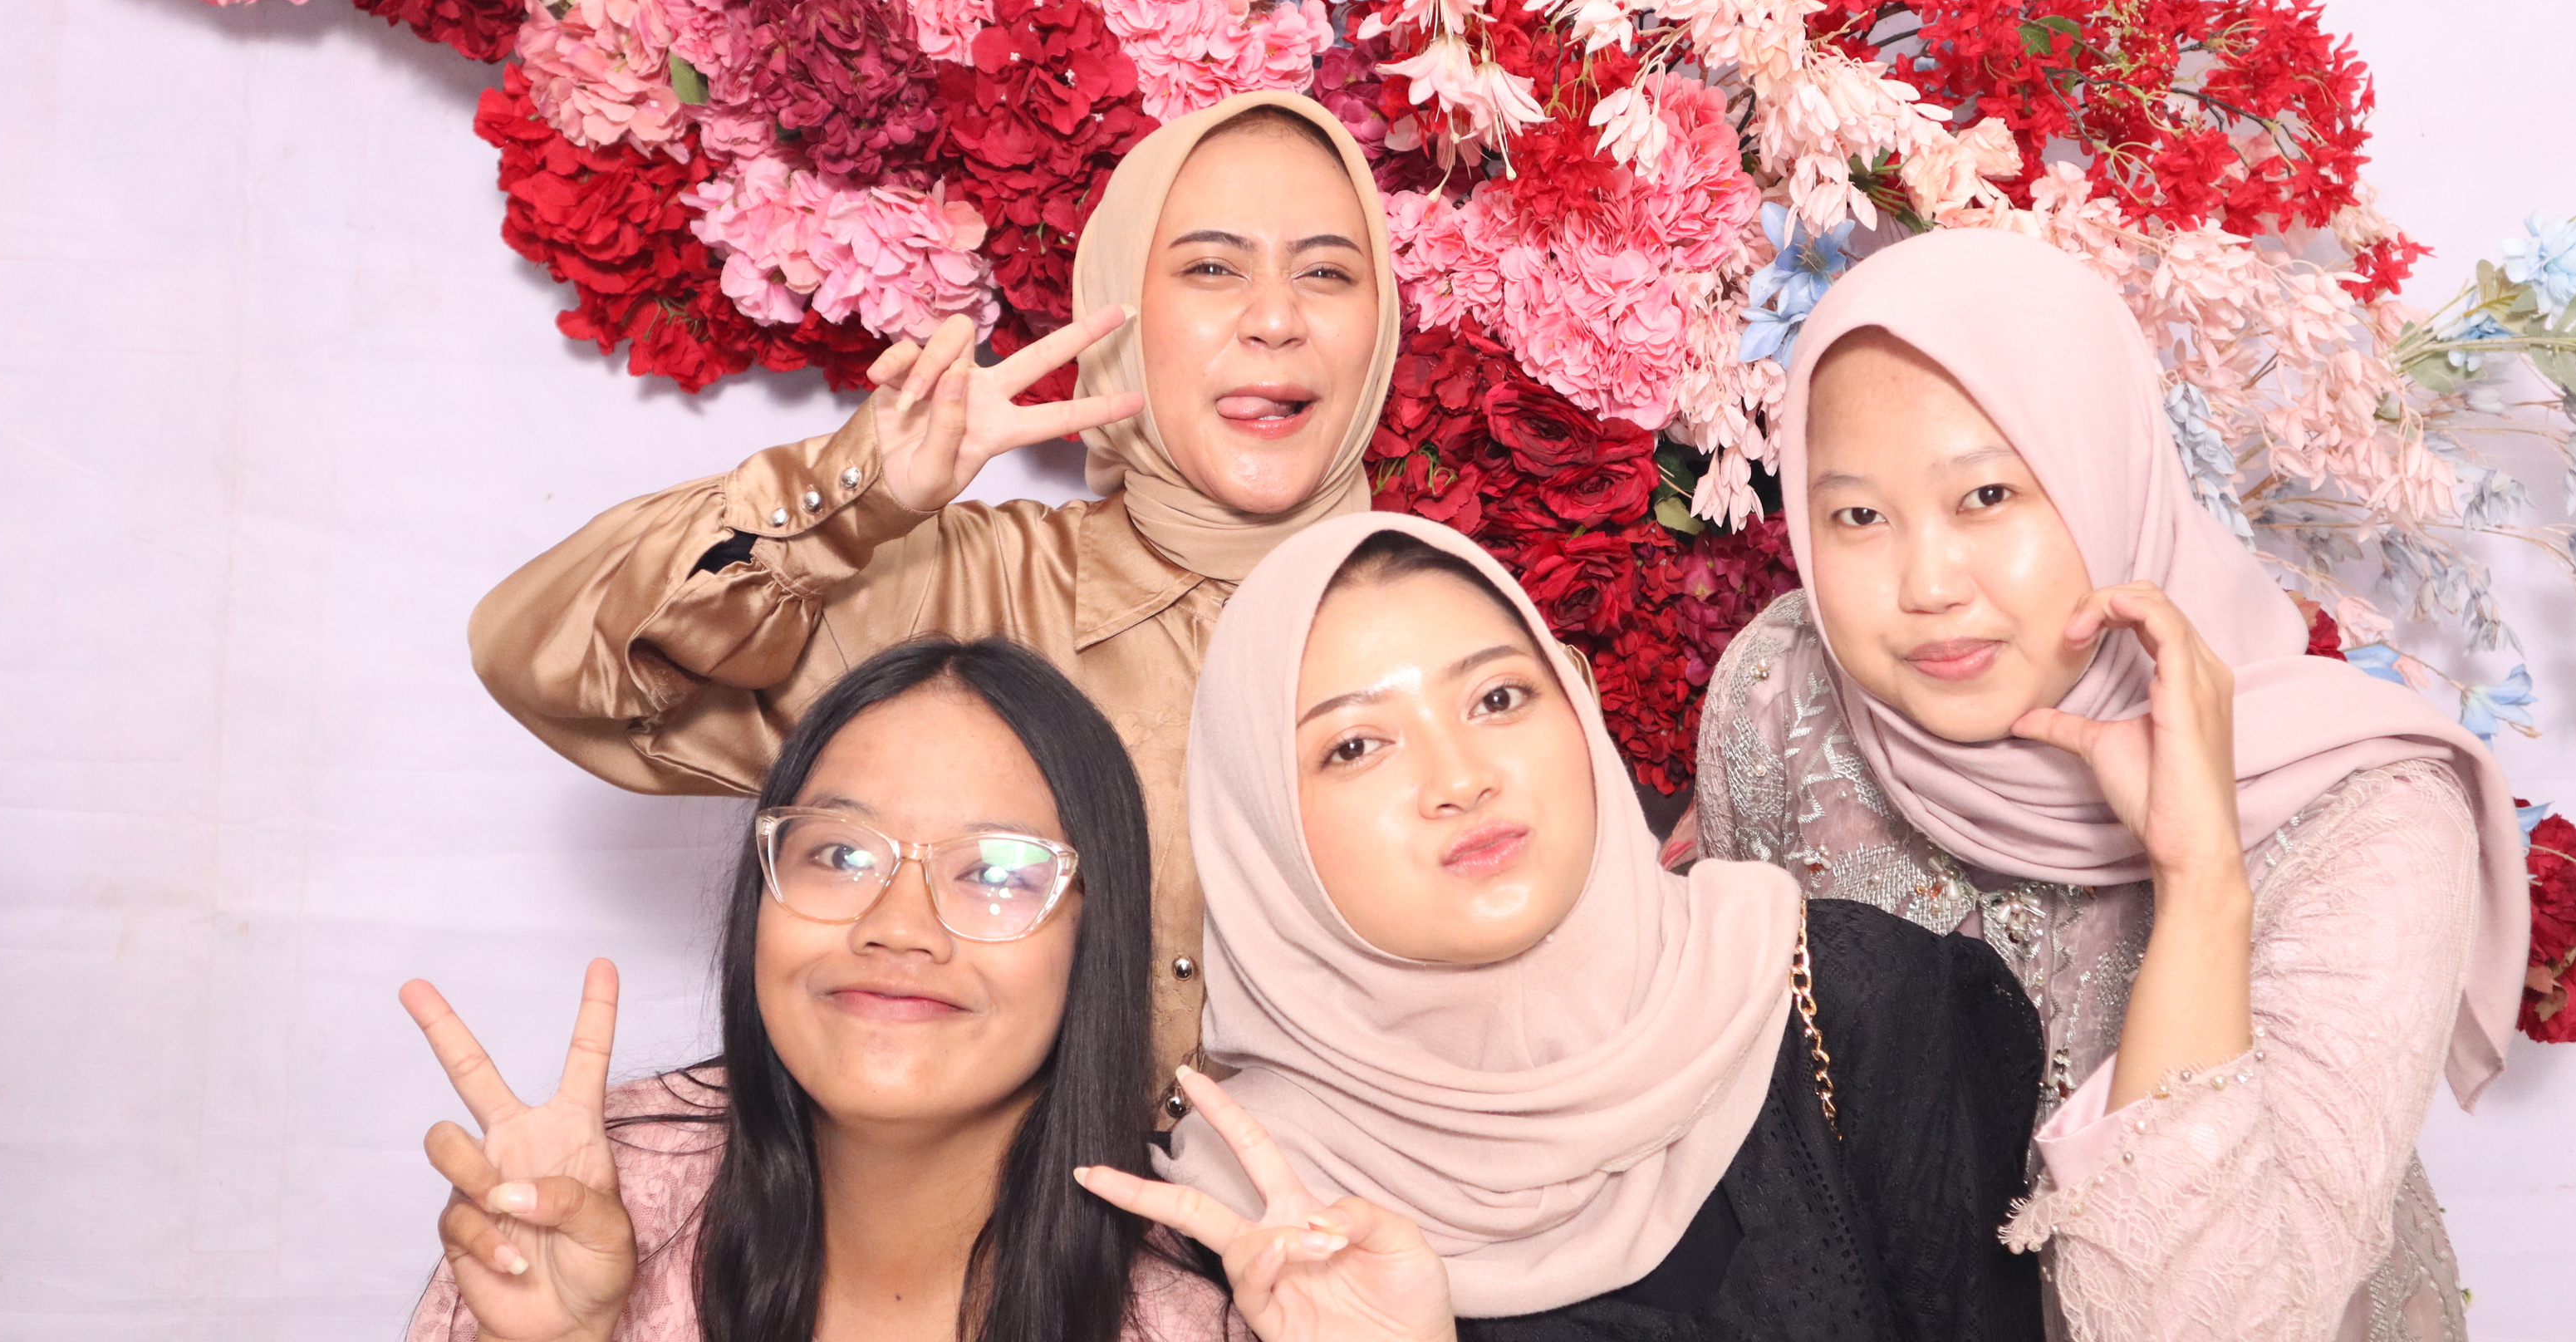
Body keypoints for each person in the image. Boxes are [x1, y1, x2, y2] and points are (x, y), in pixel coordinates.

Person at [1690, 228, 2531, 1342]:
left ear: (2106, 477)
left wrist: (2200, 880)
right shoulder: (1782, 693)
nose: (1927, 584)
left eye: (1988, 495)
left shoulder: (2362, 811)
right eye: (1857, 516)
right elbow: (1748, 1138)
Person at [469, 92, 1400, 1083]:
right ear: (1117, 311)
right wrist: (849, 494)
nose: (1275, 320)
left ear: (1381, 327)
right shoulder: (949, 595)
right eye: (1212, 268)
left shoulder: (1465, 635)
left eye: (1327, 273)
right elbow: (547, 662)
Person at [1115, 513, 2047, 1338]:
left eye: (1498, 698)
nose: (1460, 779)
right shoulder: (1236, 1234)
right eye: (1356, 746)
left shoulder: (1844, 999)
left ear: (1577, 703)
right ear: (1260, 832)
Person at [400, 633, 1452, 1342]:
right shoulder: (587, 1201)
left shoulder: (1195, 1313)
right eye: (840, 855)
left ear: (1096, 938)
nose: (897, 927)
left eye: (996, 873)